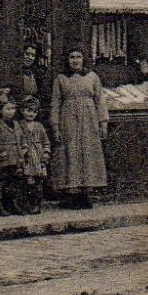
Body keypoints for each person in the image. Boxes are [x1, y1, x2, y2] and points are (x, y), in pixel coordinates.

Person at [51, 48, 109, 208]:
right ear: (67, 60)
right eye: (71, 57)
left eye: (78, 57)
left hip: (89, 120)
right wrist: (55, 127)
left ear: (84, 59)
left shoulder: (92, 77)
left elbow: (100, 101)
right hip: (68, 120)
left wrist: (103, 123)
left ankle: (86, 193)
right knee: (71, 152)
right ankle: (73, 193)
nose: (75, 60)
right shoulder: (61, 79)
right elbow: (55, 103)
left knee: (87, 153)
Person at [16, 95, 51, 215]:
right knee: (27, 181)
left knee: (38, 182)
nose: (31, 114)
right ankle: (27, 205)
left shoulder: (39, 126)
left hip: (38, 157)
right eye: (28, 110)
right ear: (22, 111)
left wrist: (46, 154)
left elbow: (46, 141)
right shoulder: (19, 125)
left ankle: (37, 204)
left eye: (34, 111)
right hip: (27, 157)